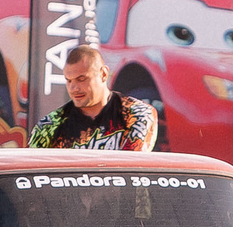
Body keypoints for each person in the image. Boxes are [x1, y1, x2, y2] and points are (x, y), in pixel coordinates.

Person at [28, 43, 158, 151]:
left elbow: (129, 168)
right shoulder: (48, 126)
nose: (74, 88)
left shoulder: (138, 114)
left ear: (103, 74)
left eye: (81, 79)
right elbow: (30, 171)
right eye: (69, 81)